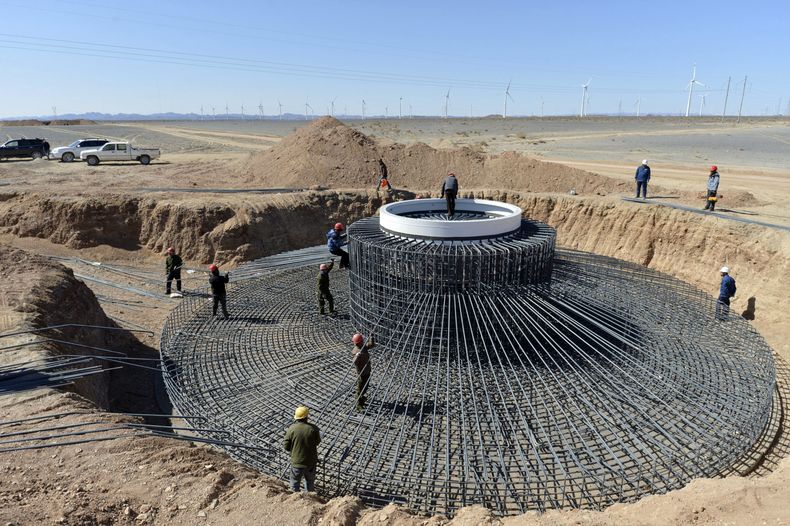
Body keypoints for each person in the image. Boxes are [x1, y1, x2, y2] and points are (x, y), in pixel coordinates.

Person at [283, 406, 321, 492]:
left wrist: (295, 450)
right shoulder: (313, 429)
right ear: (307, 417)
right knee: (309, 482)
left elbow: (286, 446)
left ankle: (295, 500)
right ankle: (309, 499)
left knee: (294, 483)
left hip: (297, 462)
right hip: (310, 462)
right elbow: (317, 442)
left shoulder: (291, 429)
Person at [352, 333, 375, 412]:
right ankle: (359, 406)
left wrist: (371, 337)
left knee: (365, 387)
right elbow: (354, 362)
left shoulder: (363, 347)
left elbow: (371, 345)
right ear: (359, 342)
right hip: (361, 373)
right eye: (362, 341)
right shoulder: (356, 351)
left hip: (367, 371)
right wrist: (357, 356)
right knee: (360, 389)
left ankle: (362, 398)